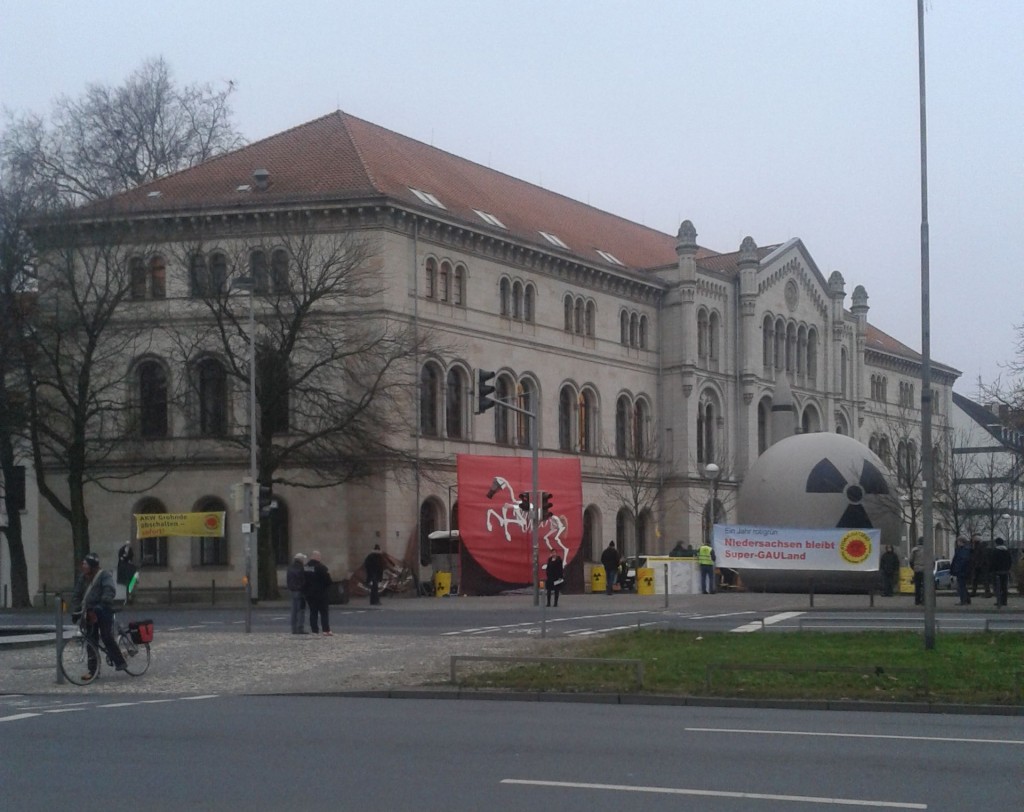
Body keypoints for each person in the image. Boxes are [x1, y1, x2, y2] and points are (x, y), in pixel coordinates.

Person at [69, 553, 127, 679]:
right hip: (89, 611)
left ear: (92, 566)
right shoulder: (83, 578)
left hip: (103, 610)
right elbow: (77, 595)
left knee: (106, 636)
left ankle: (120, 662)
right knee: (90, 640)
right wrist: (75, 611)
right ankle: (93, 671)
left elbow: (109, 589)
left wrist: (103, 602)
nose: (83, 566)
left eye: (85, 564)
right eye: (83, 564)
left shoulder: (104, 575)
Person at [304, 550, 333, 636]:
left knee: (313, 612)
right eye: (319, 557)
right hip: (321, 593)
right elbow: (328, 581)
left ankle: (314, 630)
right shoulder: (321, 567)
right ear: (317, 557)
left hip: (310, 594)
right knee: (324, 612)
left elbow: (303, 580)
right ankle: (326, 630)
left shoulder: (306, 567)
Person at [287, 553, 308, 633]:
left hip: (292, 590)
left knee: (294, 610)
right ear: (301, 560)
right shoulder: (301, 568)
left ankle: (294, 628)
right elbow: (303, 580)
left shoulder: (290, 568)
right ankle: (300, 628)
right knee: (301, 610)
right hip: (300, 591)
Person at [949, 536, 972, 605]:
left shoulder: (963, 550)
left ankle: (963, 600)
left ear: (961, 542)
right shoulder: (963, 549)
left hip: (961, 571)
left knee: (961, 586)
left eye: (958, 541)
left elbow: (961, 561)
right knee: (962, 585)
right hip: (962, 570)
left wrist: (956, 569)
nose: (957, 543)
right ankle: (967, 599)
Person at [991, 537, 1012, 607]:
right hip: (1005, 571)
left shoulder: (995, 551)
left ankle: (999, 601)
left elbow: (993, 562)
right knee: (1004, 587)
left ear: (996, 543)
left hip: (997, 571)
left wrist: (993, 570)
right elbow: (1010, 561)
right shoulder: (1007, 551)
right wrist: (1008, 568)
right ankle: (1004, 601)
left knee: (998, 587)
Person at [970, 533, 992, 598]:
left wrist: (978, 564)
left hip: (981, 566)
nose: (972, 540)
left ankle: (986, 592)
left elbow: (982, 556)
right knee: (976, 579)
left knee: (983, 579)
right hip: (979, 565)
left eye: (973, 539)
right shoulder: (977, 546)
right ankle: (974, 592)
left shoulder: (980, 546)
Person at [909, 537, 925, 605]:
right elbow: (932, 560)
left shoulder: (914, 550)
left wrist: (914, 567)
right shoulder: (928, 549)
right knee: (926, 586)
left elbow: (911, 560)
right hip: (925, 569)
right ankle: (925, 600)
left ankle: (917, 600)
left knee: (917, 586)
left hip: (917, 569)